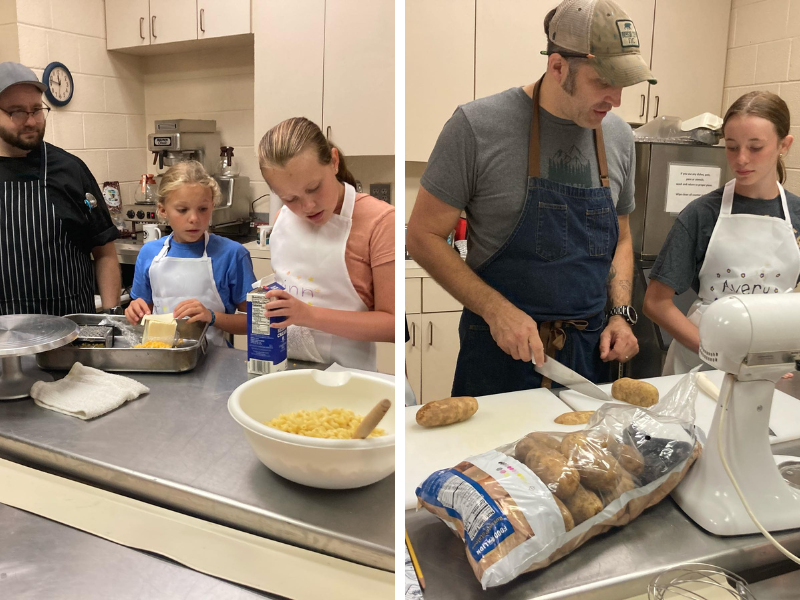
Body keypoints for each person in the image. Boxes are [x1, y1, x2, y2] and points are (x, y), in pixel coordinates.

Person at [406, 0, 652, 397]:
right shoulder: (477, 127)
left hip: (589, 358)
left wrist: (621, 314)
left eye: (624, 84)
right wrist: (495, 309)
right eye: (604, 81)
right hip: (500, 355)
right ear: (558, 67)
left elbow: (620, 238)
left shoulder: (619, 137)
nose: (616, 99)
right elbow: (422, 236)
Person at [644, 91, 800, 375]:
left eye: (755, 147)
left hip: (769, 366)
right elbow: (655, 302)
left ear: (784, 145)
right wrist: (716, 354)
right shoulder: (702, 213)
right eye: (731, 146)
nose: (741, 159)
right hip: (699, 363)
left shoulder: (797, 215)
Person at [257, 117, 394, 371]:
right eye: (291, 198)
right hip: (285, 370)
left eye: (314, 188)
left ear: (333, 161)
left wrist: (308, 316)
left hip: (350, 378)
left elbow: (393, 326)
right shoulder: (282, 220)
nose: (307, 206)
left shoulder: (381, 222)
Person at [0, 61, 120, 315]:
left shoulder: (70, 170)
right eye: (17, 112)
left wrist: (112, 317)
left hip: (70, 331)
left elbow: (105, 253)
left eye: (36, 110)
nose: (31, 121)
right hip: (4, 341)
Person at [125, 161, 256, 346]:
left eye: (202, 209)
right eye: (182, 210)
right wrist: (134, 311)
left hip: (214, 360)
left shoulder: (231, 255)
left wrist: (212, 317)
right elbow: (143, 315)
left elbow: (257, 323)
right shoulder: (149, 254)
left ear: (212, 206)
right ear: (163, 210)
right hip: (161, 356)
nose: (194, 218)